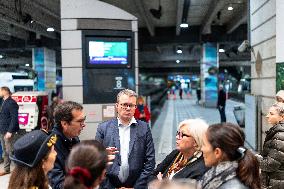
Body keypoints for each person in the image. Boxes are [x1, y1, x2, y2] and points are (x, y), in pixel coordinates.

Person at [95, 89, 155, 189]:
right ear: (117, 106)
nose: (128, 108)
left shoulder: (144, 128)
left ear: (135, 107)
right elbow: (97, 161)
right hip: (109, 185)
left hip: (136, 185)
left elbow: (150, 161)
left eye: (131, 105)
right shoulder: (103, 128)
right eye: (124, 104)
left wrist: (136, 187)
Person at [148, 119, 209, 187]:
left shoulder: (200, 168)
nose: (177, 137)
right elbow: (153, 174)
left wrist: (162, 185)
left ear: (196, 141)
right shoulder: (177, 153)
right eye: (178, 133)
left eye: (182, 135)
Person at [201, 123, 260, 189]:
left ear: (217, 152)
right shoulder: (220, 175)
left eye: (204, 144)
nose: (201, 149)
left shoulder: (232, 185)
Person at [48, 101, 86, 189]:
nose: (84, 125)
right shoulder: (52, 145)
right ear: (64, 124)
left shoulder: (74, 138)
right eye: (80, 121)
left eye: (84, 120)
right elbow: (59, 185)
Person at [255, 102, 284, 188]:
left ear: (282, 117)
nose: (267, 116)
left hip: (276, 184)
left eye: (271, 114)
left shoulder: (280, 135)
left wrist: (255, 158)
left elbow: (270, 164)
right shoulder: (276, 132)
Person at [0, 86, 19, 176]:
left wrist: (10, 131)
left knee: (11, 151)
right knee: (5, 151)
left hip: (8, 131)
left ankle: (18, 171)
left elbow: (14, 118)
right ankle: (7, 169)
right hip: (2, 130)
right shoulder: (3, 102)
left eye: (0, 91)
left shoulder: (11, 103)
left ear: (5, 91)